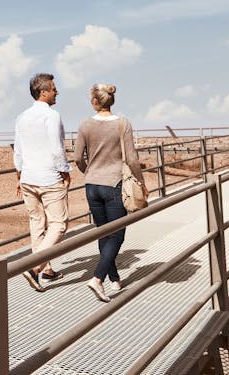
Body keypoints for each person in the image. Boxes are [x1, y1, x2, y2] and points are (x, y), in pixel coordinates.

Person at [75, 83, 148, 303]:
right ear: (111, 101)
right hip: (114, 183)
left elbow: (78, 158)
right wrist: (142, 182)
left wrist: (88, 171)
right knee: (117, 235)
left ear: (94, 102)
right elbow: (133, 159)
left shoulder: (85, 125)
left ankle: (114, 278)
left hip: (92, 185)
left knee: (103, 232)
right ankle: (97, 278)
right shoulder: (122, 124)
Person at [13, 73, 72, 292]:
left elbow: (18, 149)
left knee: (37, 223)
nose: (57, 92)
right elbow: (56, 148)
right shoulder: (52, 116)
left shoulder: (21, 117)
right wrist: (65, 171)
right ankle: (35, 268)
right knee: (58, 224)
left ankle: (44, 269)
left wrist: (19, 175)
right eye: (54, 89)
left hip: (28, 177)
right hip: (48, 177)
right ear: (44, 92)